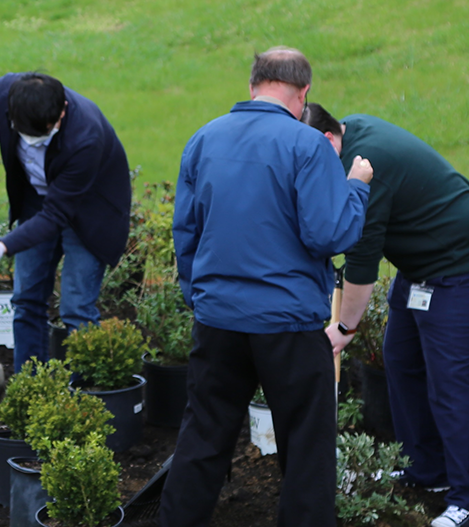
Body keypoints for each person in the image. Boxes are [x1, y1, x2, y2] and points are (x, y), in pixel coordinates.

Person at [158, 47, 373, 527]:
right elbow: (330, 234)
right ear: (304, 93)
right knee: (306, 454)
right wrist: (357, 185)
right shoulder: (307, 144)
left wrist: (200, 298)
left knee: (202, 441)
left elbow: (185, 231)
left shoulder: (204, 139)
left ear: (253, 84)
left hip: (218, 322)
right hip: (289, 327)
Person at [305, 103, 469, 527]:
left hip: (465, 264)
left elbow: (362, 267)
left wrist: (344, 328)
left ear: (327, 141)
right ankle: (426, 468)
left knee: (449, 379)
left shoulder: (367, 169)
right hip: (421, 269)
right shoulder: (350, 135)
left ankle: (468, 501)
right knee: (400, 358)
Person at [0, 73, 131, 372]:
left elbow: (57, 215)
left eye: (47, 131)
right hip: (37, 203)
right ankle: (31, 389)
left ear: (63, 110)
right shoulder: (5, 93)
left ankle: (88, 395)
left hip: (89, 212)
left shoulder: (86, 136)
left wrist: (2, 247)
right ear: (11, 114)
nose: (37, 139)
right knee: (26, 300)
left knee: (76, 307)